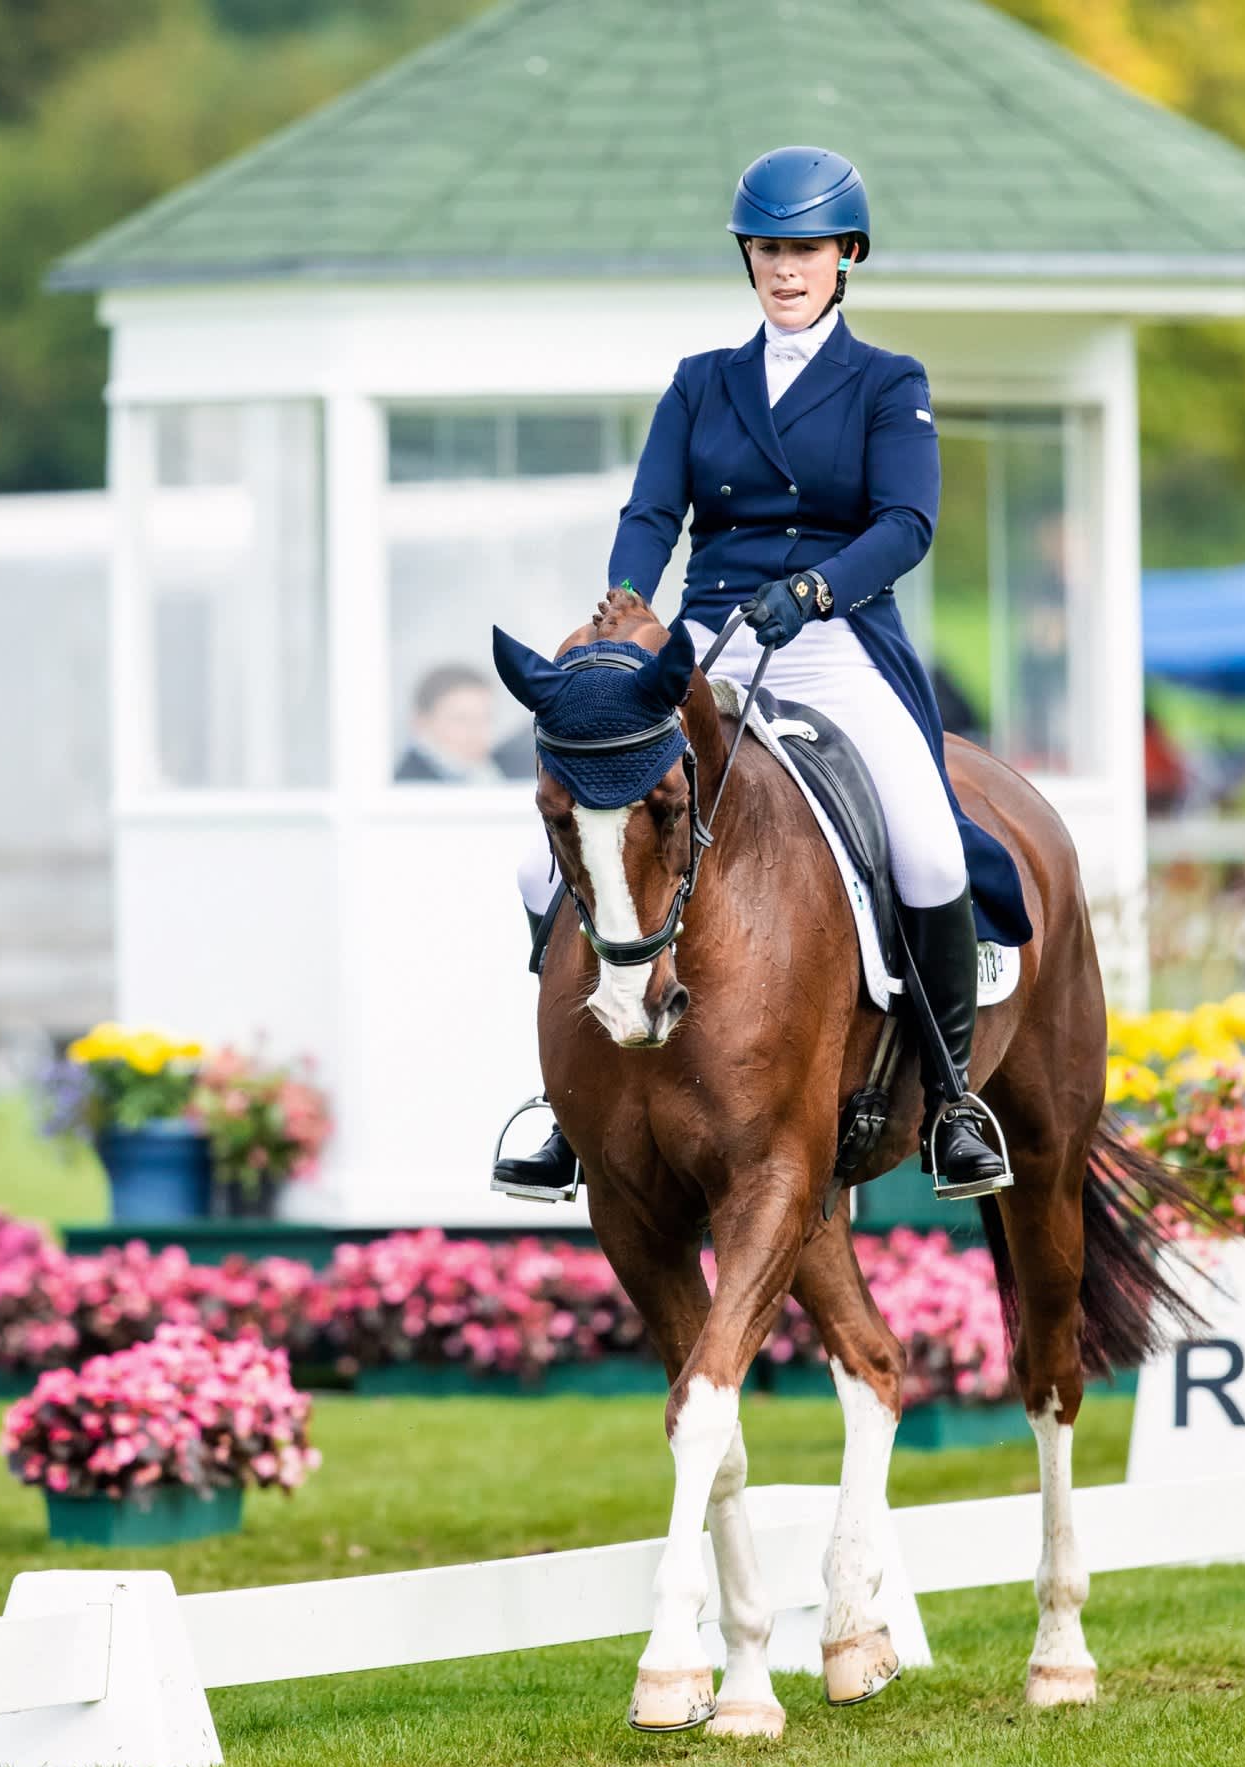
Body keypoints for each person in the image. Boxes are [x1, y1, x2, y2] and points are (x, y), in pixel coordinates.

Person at [493, 145, 1033, 1204]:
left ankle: (956, 1098)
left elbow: (907, 522)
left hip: (833, 641)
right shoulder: (703, 383)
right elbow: (654, 512)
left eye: (805, 251)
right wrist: (626, 609)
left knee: (926, 849)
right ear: (748, 258)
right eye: (768, 251)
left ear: (847, 256)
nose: (785, 269)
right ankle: (566, 1104)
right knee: (537, 864)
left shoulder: (888, 383)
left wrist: (818, 591)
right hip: (705, 642)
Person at [394, 665, 504, 783]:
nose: (477, 731)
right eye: (461, 719)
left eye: (485, 718)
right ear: (421, 723)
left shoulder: (483, 771)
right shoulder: (410, 784)